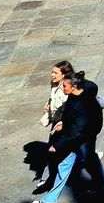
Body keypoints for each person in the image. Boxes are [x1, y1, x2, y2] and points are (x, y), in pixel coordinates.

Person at [31, 60, 74, 191]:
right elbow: (52, 97)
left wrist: (63, 122)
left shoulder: (67, 87)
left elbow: (70, 107)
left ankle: (47, 180)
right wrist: (48, 105)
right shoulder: (54, 84)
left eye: (55, 72)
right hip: (57, 121)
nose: (52, 75)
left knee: (54, 151)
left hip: (64, 124)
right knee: (62, 151)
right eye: (52, 72)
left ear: (64, 74)